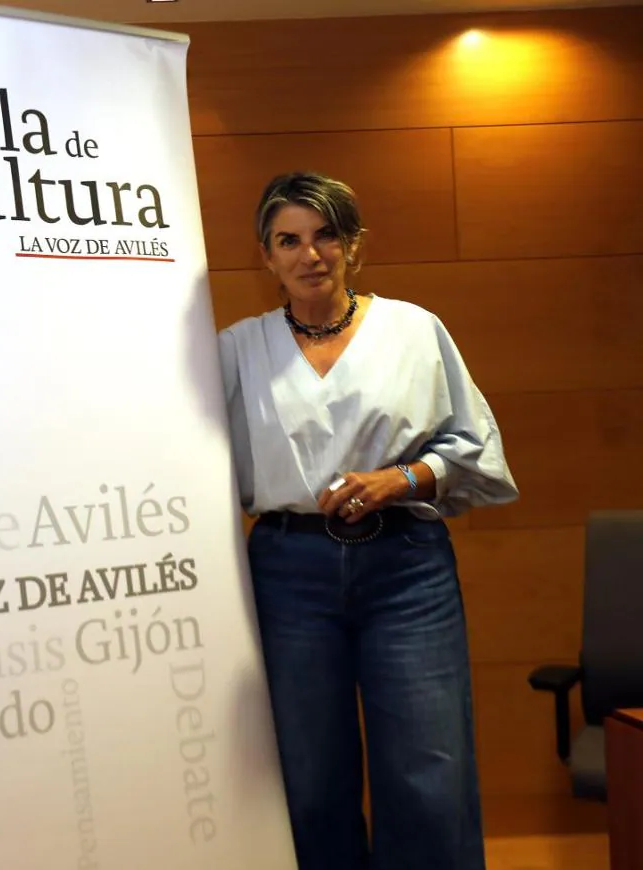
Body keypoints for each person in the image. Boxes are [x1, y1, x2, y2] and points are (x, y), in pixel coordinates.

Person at [218, 171, 518, 869]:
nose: (309, 254)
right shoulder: (237, 349)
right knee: (310, 778)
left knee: (427, 774)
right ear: (266, 256)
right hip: (289, 572)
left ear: (354, 244)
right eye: (288, 240)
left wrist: (402, 477)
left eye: (326, 235)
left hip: (405, 568)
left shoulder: (414, 330)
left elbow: (472, 449)